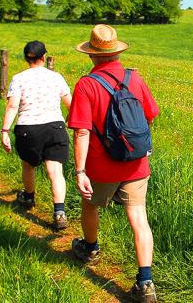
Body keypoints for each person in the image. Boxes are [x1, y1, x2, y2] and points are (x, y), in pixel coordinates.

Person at [68, 24, 159, 303]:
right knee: (139, 219)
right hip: (135, 163)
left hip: (101, 166)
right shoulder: (135, 78)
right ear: (116, 52)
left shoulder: (87, 84)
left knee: (90, 204)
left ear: (92, 55)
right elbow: (151, 114)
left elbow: (82, 131)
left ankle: (90, 248)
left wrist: (80, 170)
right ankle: (145, 282)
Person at [1, 40, 72, 230]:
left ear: (26, 58)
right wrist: (67, 122)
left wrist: (5, 130)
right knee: (56, 171)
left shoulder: (18, 78)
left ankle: (29, 196)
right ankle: (59, 212)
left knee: (29, 165)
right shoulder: (56, 77)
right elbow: (70, 104)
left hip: (28, 129)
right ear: (43, 57)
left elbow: (13, 106)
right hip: (55, 127)